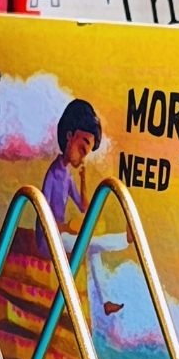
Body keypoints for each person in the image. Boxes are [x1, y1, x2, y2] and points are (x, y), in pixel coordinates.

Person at [37, 99, 124, 315]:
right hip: (48, 240)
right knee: (91, 243)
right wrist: (68, 227)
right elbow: (44, 219)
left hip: (61, 236)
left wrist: (83, 178)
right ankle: (124, 239)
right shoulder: (53, 174)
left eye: (88, 150)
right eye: (82, 146)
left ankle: (106, 301)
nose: (84, 153)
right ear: (69, 136)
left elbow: (84, 206)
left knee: (92, 249)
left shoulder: (67, 175)